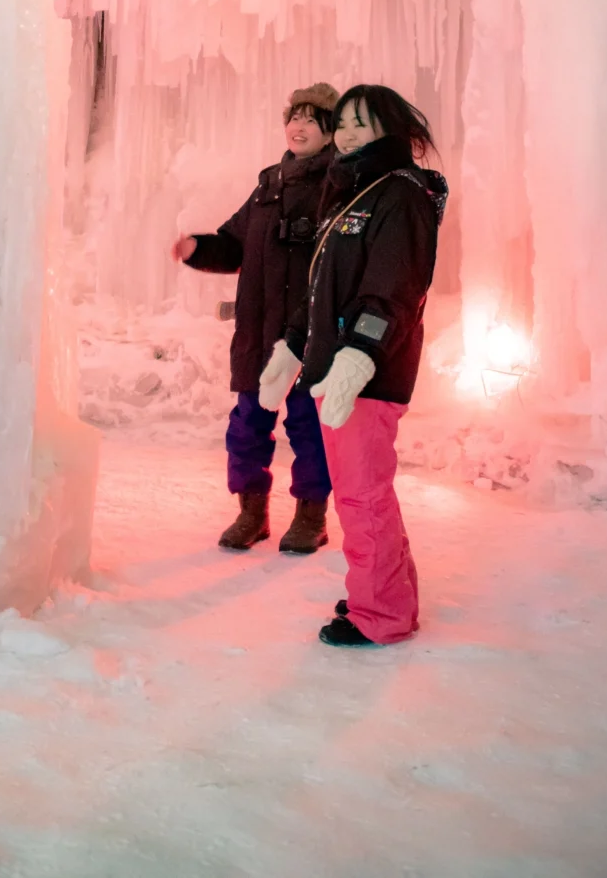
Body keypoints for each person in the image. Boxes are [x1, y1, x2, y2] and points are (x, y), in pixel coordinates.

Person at [259, 85, 448, 646]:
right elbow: (322, 288)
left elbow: (393, 288)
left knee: (364, 496)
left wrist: (361, 354)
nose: (346, 135)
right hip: (334, 368)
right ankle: (385, 593)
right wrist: (292, 346)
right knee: (362, 495)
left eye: (361, 125)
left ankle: (381, 614)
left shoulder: (401, 194)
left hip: (366, 373)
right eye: (342, 123)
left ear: (391, 129)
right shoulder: (352, 193)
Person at [172, 84, 339, 553]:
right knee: (247, 425)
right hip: (258, 332)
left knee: (308, 426)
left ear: (330, 131)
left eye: (312, 119)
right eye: (294, 118)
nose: (299, 127)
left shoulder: (336, 187)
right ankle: (252, 513)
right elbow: (235, 243)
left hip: (307, 335)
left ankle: (311, 516)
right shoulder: (268, 186)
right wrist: (199, 249)